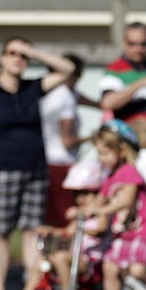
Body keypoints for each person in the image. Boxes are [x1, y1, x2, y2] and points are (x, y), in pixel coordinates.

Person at [0, 37, 75, 290]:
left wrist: (34, 51)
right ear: (2, 58)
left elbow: (66, 70)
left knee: (32, 231)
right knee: (1, 232)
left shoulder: (32, 88)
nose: (17, 59)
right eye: (12, 53)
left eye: (22, 55)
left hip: (35, 169)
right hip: (1, 171)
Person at [80, 122, 146, 290]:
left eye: (106, 153)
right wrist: (81, 210)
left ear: (122, 151)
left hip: (144, 229)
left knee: (138, 272)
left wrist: (100, 211)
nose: (101, 158)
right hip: (125, 232)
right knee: (110, 267)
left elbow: (126, 200)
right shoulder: (110, 177)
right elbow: (100, 199)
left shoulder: (129, 171)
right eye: (99, 154)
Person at [1, 159, 110, 290]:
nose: (80, 199)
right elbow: (66, 232)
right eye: (77, 195)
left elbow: (102, 229)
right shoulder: (81, 216)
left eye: (85, 194)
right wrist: (49, 230)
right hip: (74, 256)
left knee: (59, 256)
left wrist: (83, 226)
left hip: (91, 261)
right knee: (42, 259)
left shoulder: (100, 213)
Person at [98, 22, 146, 164]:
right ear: (124, 43)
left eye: (143, 44)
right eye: (133, 44)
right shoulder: (115, 69)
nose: (138, 49)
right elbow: (107, 103)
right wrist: (138, 85)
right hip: (132, 145)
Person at [41, 53, 97, 228]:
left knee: (50, 218)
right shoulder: (64, 98)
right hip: (61, 165)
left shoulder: (53, 93)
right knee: (63, 220)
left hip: (48, 162)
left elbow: (88, 100)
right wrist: (91, 138)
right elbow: (68, 140)